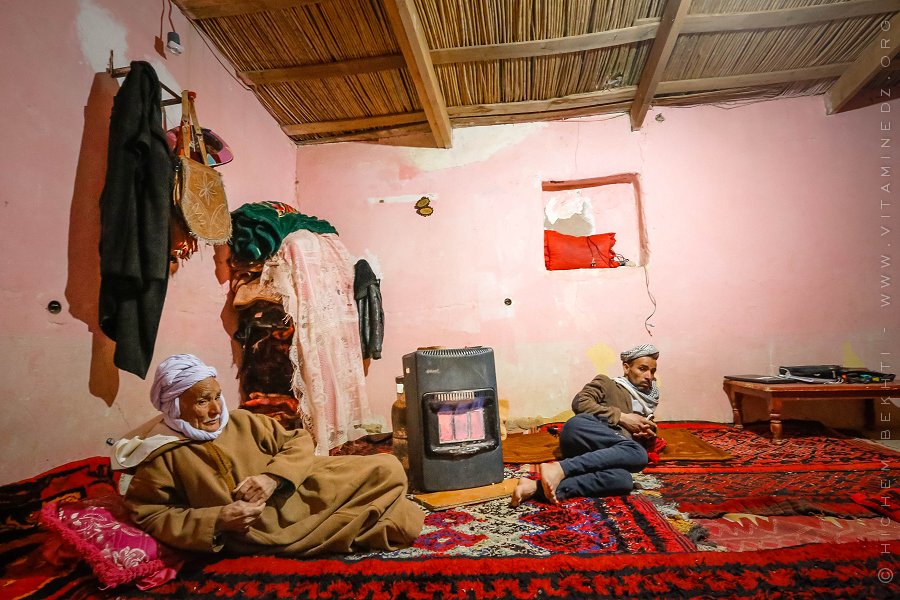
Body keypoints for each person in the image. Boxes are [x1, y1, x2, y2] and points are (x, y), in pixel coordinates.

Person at [115, 354, 424, 556]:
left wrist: (272, 477)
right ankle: (353, 522)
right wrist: (218, 519)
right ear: (174, 406)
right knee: (400, 523)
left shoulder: (240, 420)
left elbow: (298, 441)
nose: (214, 409)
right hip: (261, 527)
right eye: (201, 402)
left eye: (217, 397)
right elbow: (152, 514)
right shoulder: (161, 454)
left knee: (388, 467)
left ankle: (357, 516)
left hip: (296, 488)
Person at [511, 343, 661, 507]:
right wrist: (622, 418)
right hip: (581, 433)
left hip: (602, 455)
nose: (649, 376)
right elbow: (580, 402)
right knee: (638, 454)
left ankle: (535, 487)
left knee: (622, 480)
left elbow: (625, 445)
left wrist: (643, 434)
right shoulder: (608, 383)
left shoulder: (648, 402)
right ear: (626, 368)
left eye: (652, 371)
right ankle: (561, 467)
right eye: (643, 369)